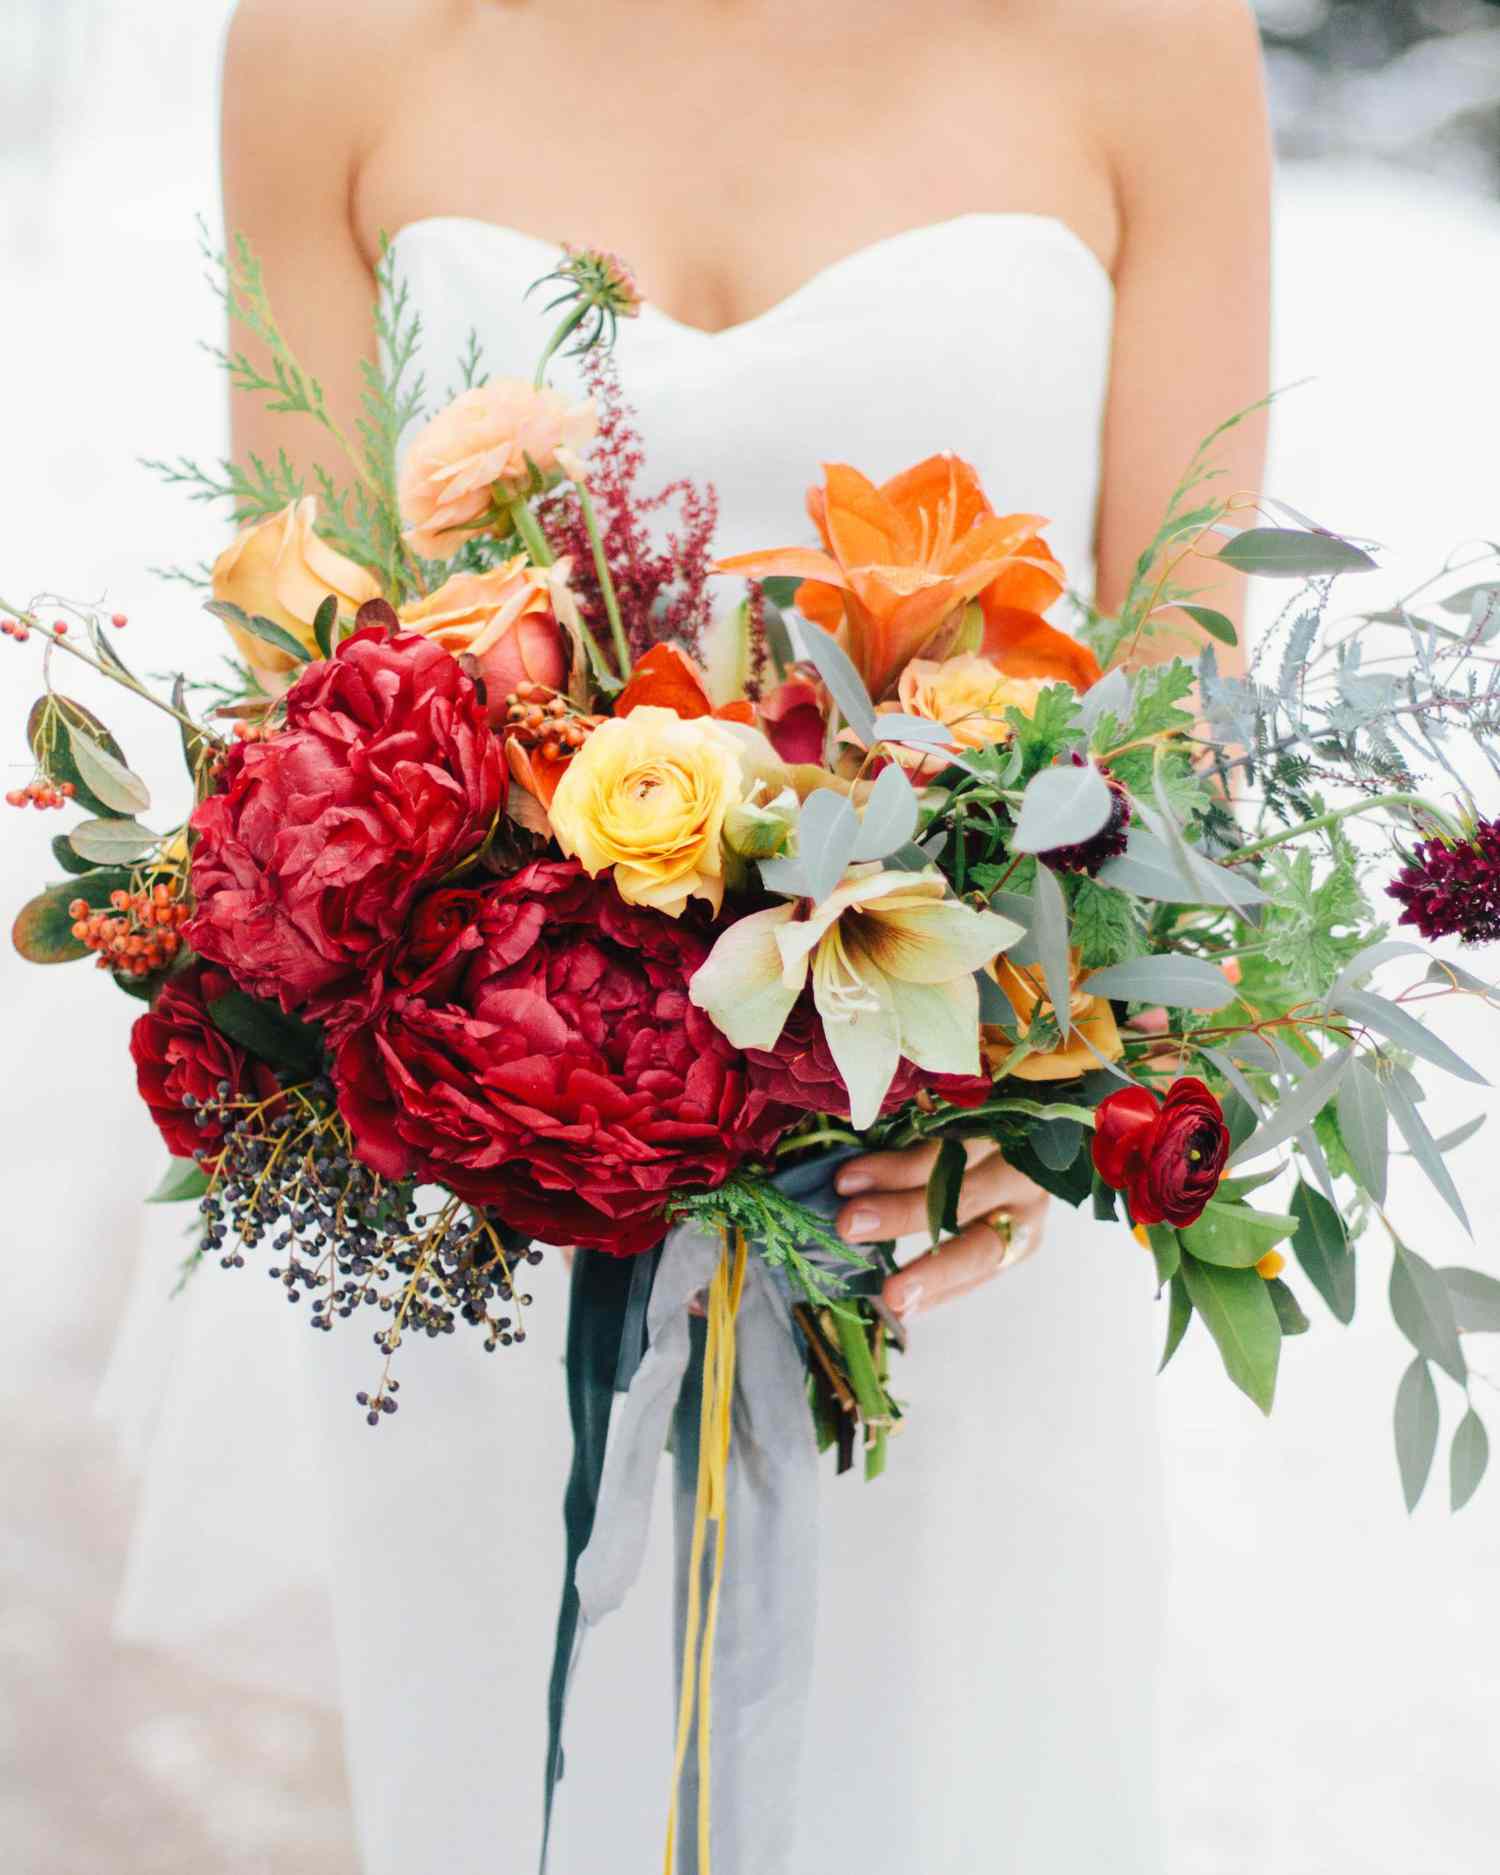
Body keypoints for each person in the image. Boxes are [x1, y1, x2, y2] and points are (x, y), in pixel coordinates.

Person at [154, 2, 1270, 1867]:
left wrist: (1042, 1086)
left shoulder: (1145, 38)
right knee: (508, 1791)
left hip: (948, 1191)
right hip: (492, 1209)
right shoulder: (331, 43)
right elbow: (312, 705)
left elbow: (1187, 696)